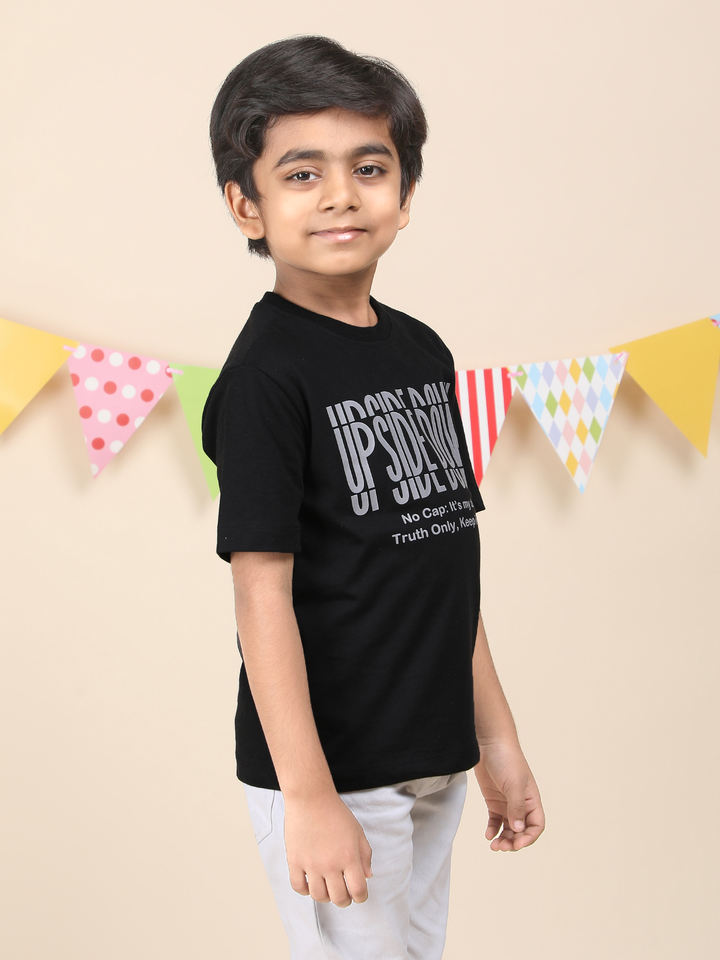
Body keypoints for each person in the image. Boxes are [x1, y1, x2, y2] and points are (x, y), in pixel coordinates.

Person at [201, 34, 545, 960]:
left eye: (368, 167)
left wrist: (496, 740)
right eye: (301, 173)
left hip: (432, 753)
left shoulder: (421, 351)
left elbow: (446, 564)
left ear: (405, 194)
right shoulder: (265, 378)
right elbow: (259, 594)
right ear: (246, 204)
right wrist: (308, 795)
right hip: (334, 771)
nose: (341, 195)